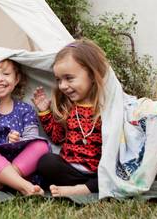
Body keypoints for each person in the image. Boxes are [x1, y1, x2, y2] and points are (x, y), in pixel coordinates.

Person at [32, 39, 108, 196]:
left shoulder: (107, 109)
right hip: (70, 170)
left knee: (114, 171)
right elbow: (57, 137)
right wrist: (44, 112)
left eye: (69, 78)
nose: (63, 86)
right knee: (47, 162)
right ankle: (80, 186)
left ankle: (82, 189)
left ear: (92, 75)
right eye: (59, 80)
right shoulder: (68, 108)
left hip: (99, 172)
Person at [0, 59, 50, 196]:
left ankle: (1, 183)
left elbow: (32, 138)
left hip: (22, 165)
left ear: (17, 79)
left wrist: (19, 140)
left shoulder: (25, 109)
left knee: (41, 144)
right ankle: (25, 187)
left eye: (6, 74)